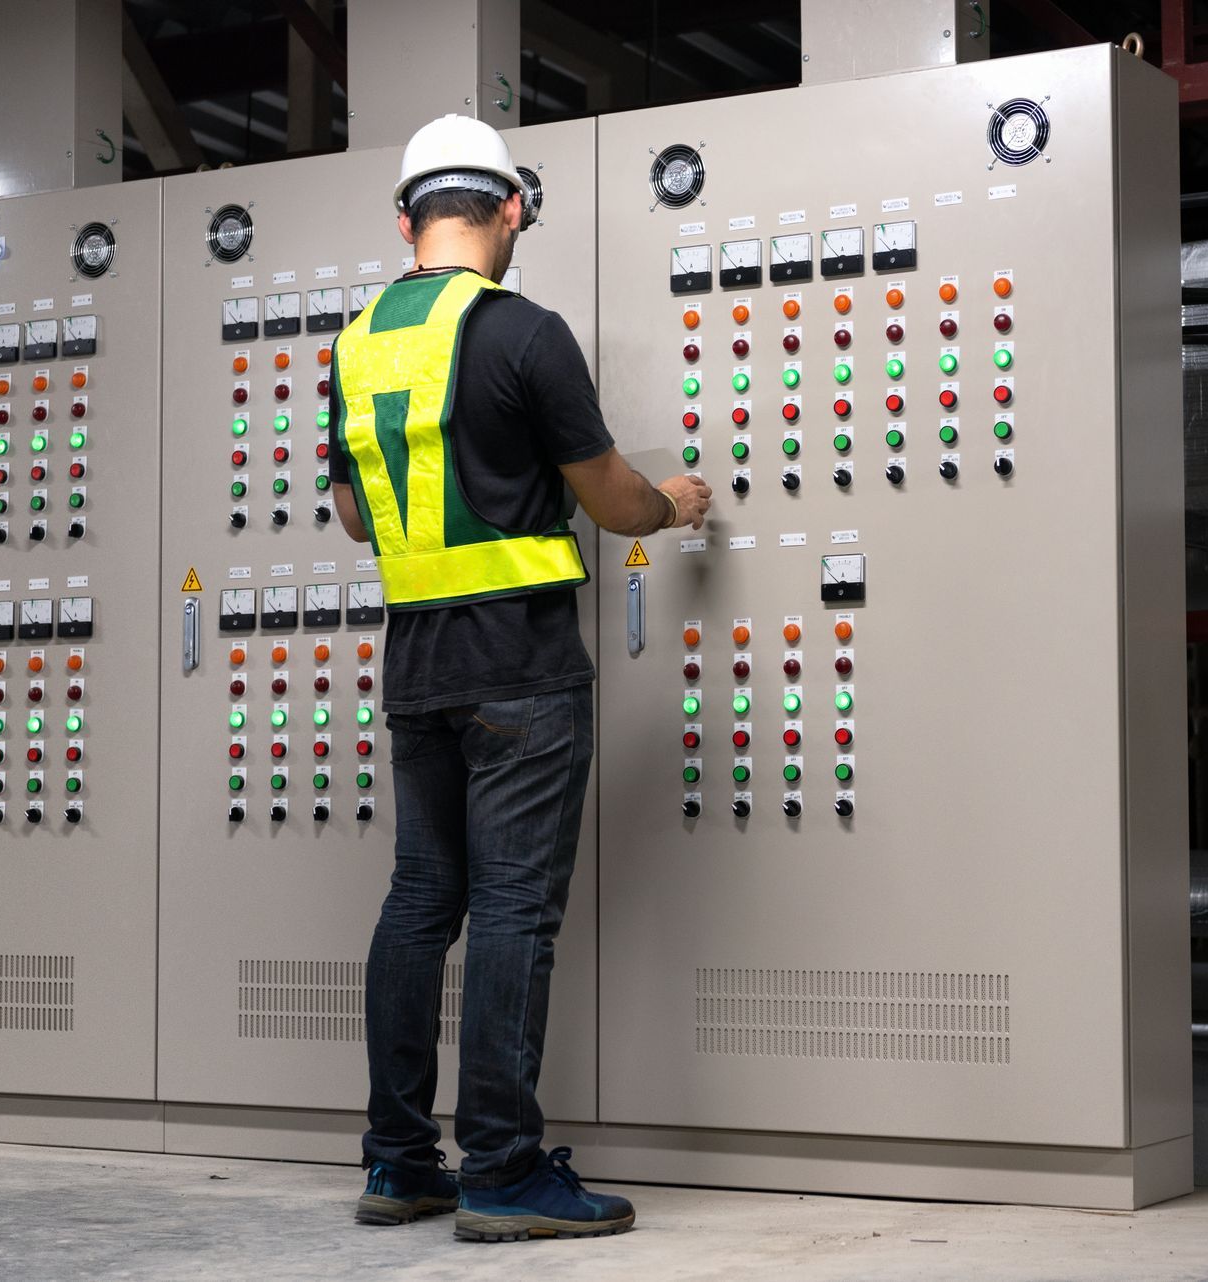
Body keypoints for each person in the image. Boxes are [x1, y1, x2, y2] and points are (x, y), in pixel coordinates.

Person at [326, 113, 711, 1241]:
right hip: (522, 668)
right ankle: (500, 1167)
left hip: (416, 664)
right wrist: (670, 510)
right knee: (508, 911)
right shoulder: (522, 332)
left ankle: (399, 1161)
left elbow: (353, 514)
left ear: (404, 222)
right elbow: (606, 496)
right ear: (512, 211)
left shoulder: (352, 344)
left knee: (418, 904)